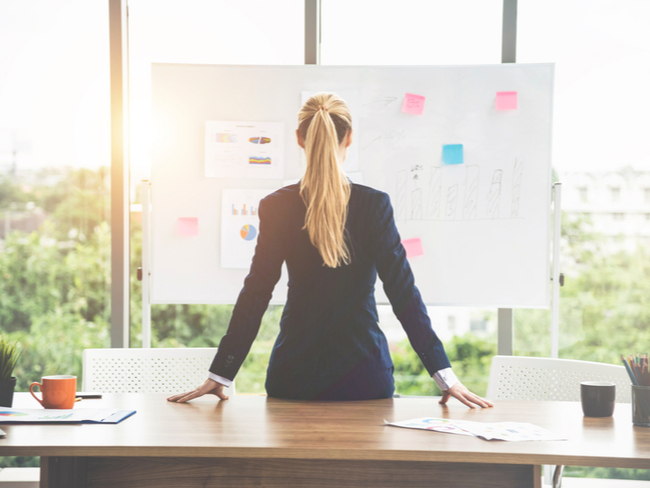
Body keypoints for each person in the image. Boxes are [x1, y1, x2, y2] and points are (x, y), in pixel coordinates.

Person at [168, 93, 492, 408]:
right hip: (365, 377)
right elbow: (403, 293)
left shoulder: (276, 206)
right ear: (349, 138)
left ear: (299, 138)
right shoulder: (374, 204)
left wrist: (221, 373)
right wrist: (444, 374)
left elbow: (257, 291)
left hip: (293, 375)